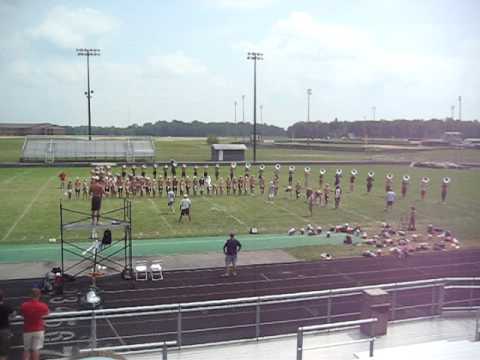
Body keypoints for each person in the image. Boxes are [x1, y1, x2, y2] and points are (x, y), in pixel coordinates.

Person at [21, 288, 49, 360]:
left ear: (30, 295)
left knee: (26, 350)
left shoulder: (24, 305)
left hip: (27, 329)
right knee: (36, 349)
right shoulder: (43, 305)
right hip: (39, 329)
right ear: (39, 295)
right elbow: (47, 313)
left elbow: (22, 314)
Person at [0, 290, 14, 360]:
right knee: (3, 353)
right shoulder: (6, 306)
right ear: (3, 298)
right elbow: (13, 314)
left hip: (4, 330)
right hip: (5, 330)